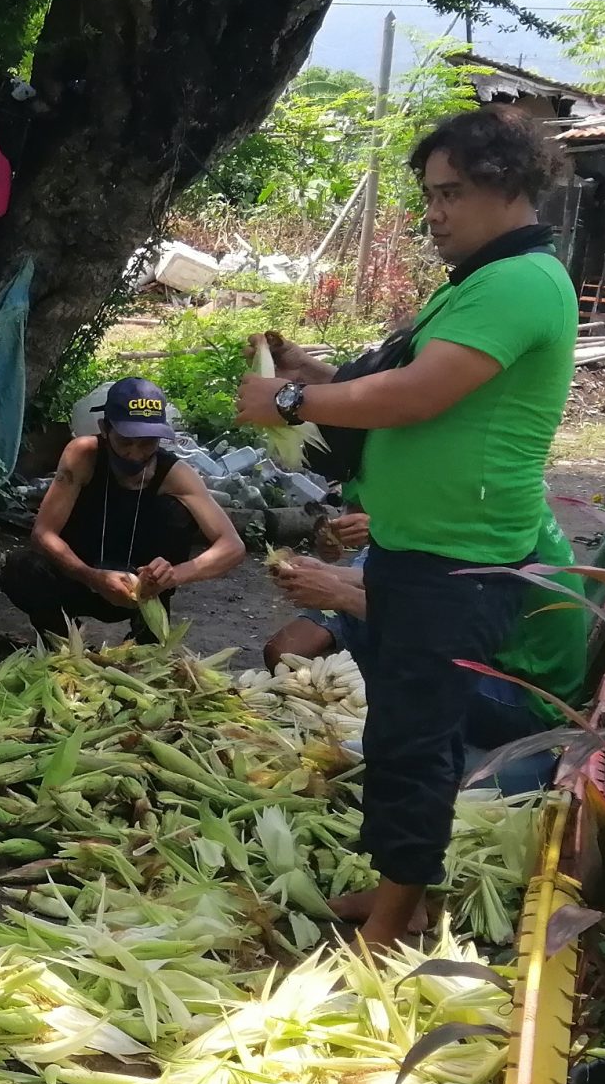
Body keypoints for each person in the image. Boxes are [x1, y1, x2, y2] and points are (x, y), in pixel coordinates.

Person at [235, 106, 576, 948]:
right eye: (430, 193)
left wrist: (290, 400)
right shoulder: (478, 284)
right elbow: (405, 382)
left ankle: (394, 922)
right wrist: (324, 377)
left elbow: (423, 394)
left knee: (417, 739)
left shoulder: (521, 282)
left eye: (452, 193)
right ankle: (403, 893)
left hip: (458, 560)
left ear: (510, 185)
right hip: (420, 548)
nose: (436, 212)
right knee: (397, 729)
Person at [264, 507, 593, 755]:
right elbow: (411, 587)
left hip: (528, 705)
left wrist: (339, 595)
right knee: (364, 611)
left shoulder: (484, 526)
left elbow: (430, 624)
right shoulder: (494, 505)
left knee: (368, 624)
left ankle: (406, 749)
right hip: (512, 674)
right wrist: (328, 572)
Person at [1, 377, 245, 638]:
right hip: (81, 577)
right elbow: (43, 533)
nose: (135, 453)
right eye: (126, 441)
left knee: (176, 511)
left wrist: (172, 575)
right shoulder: (83, 455)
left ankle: (146, 635)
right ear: (105, 429)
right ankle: (63, 641)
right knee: (20, 568)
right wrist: (93, 577)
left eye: (147, 442)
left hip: (141, 590)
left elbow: (232, 546)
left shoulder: (174, 473)